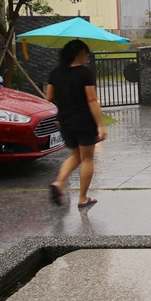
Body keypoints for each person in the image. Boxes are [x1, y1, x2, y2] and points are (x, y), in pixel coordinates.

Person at [45, 39, 107, 211]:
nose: (86, 56)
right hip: (84, 121)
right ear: (79, 53)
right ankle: (82, 198)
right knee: (87, 158)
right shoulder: (84, 73)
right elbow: (92, 100)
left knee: (75, 156)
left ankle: (58, 183)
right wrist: (101, 125)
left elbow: (49, 97)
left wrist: (66, 96)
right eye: (85, 53)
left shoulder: (55, 73)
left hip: (64, 121)